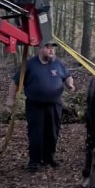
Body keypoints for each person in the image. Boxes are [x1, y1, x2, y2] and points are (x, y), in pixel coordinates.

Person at [5, 42, 75, 172]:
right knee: (36, 133)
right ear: (40, 49)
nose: (52, 50)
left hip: (55, 105)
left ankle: (49, 157)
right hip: (35, 105)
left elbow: (67, 76)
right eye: (48, 47)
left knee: (52, 132)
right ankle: (35, 161)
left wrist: (70, 84)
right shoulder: (30, 65)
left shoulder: (58, 63)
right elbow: (15, 82)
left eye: (53, 48)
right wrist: (10, 99)